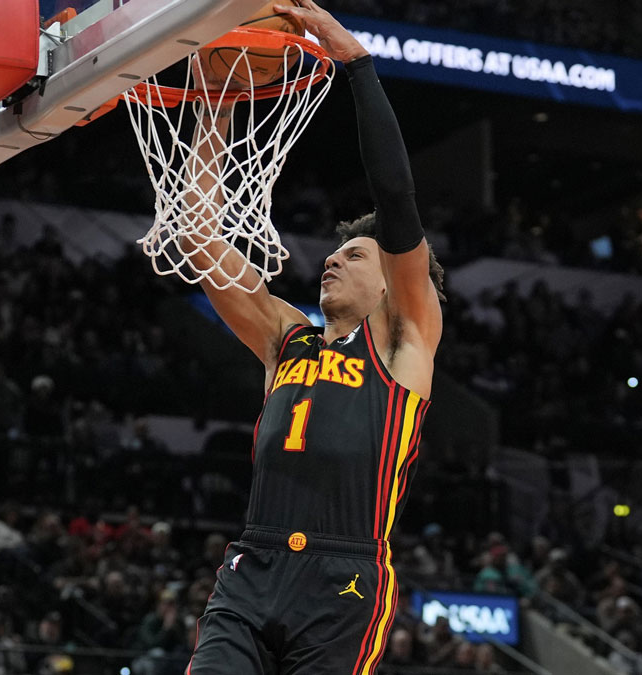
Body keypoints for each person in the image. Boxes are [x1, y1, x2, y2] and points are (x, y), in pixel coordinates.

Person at [176, 2, 444, 672]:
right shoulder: (286, 338)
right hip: (252, 563)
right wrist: (218, 102)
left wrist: (357, 65)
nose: (332, 259)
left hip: (345, 577)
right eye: (334, 252)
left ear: (392, 284)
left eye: (355, 256)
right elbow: (198, 237)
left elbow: (397, 196)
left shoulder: (403, 340)